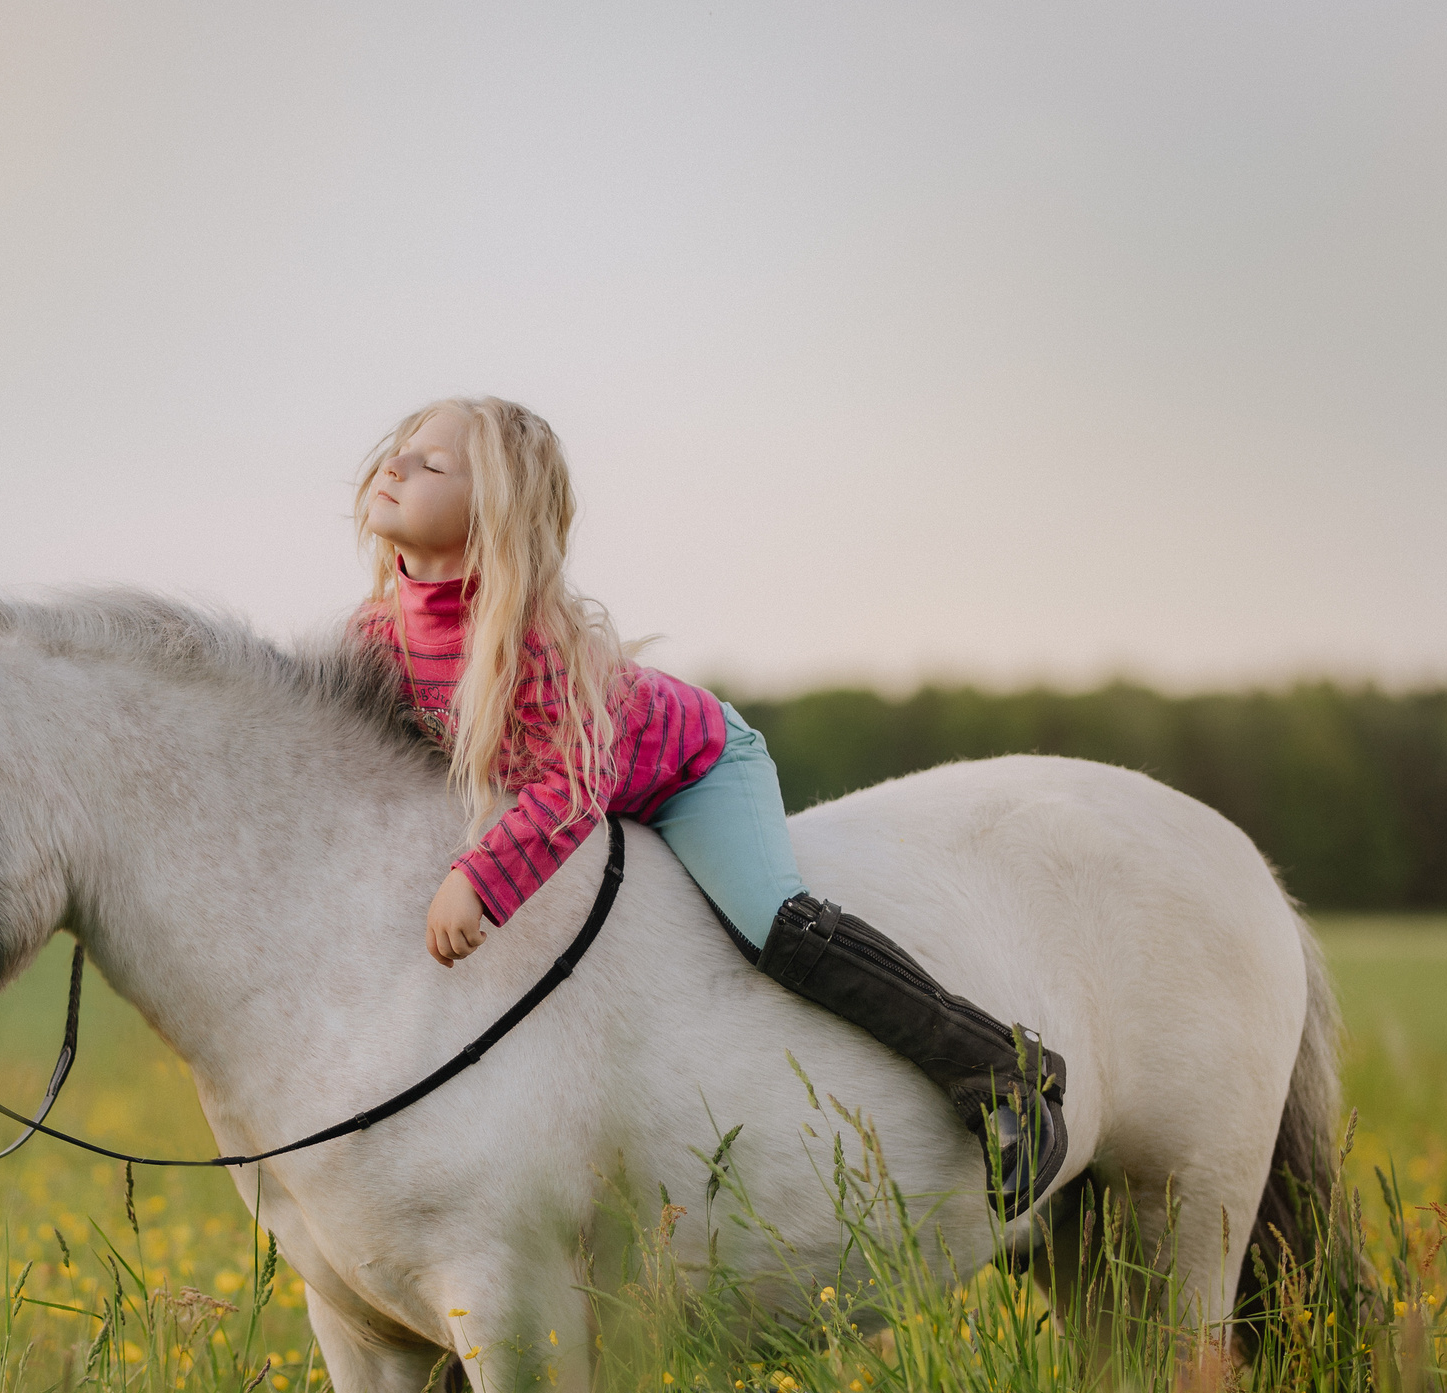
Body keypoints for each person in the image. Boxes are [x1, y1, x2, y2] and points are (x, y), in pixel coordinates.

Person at [352, 396, 1065, 1209]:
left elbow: (570, 788)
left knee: (777, 928)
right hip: (602, 788)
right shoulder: (376, 637)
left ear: (495, 514)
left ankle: (1001, 1075)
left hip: (695, 769)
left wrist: (481, 877)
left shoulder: (529, 646)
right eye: (401, 449)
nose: (395, 464)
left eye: (433, 464)